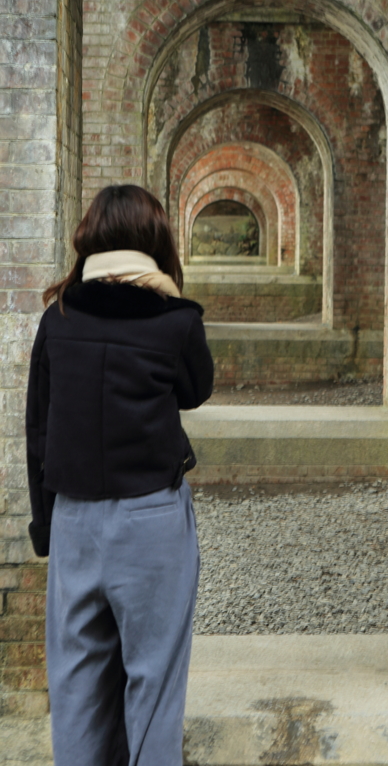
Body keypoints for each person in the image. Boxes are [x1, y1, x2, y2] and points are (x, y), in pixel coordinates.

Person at [25, 184, 214, 766]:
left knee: (77, 693)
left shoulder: (57, 319)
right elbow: (196, 389)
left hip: (75, 519)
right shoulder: (174, 321)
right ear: (154, 243)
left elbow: (38, 432)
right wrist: (172, 296)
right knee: (153, 690)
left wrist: (45, 527)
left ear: (90, 238)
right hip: (151, 521)